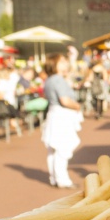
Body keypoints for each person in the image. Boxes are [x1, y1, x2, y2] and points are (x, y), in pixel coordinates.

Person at [40, 54, 84, 188]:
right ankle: (62, 179)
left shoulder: (49, 80)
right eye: (63, 61)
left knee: (53, 149)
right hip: (62, 116)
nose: (66, 64)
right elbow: (65, 100)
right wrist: (77, 106)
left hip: (54, 114)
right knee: (62, 148)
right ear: (55, 64)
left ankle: (55, 177)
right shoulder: (58, 79)